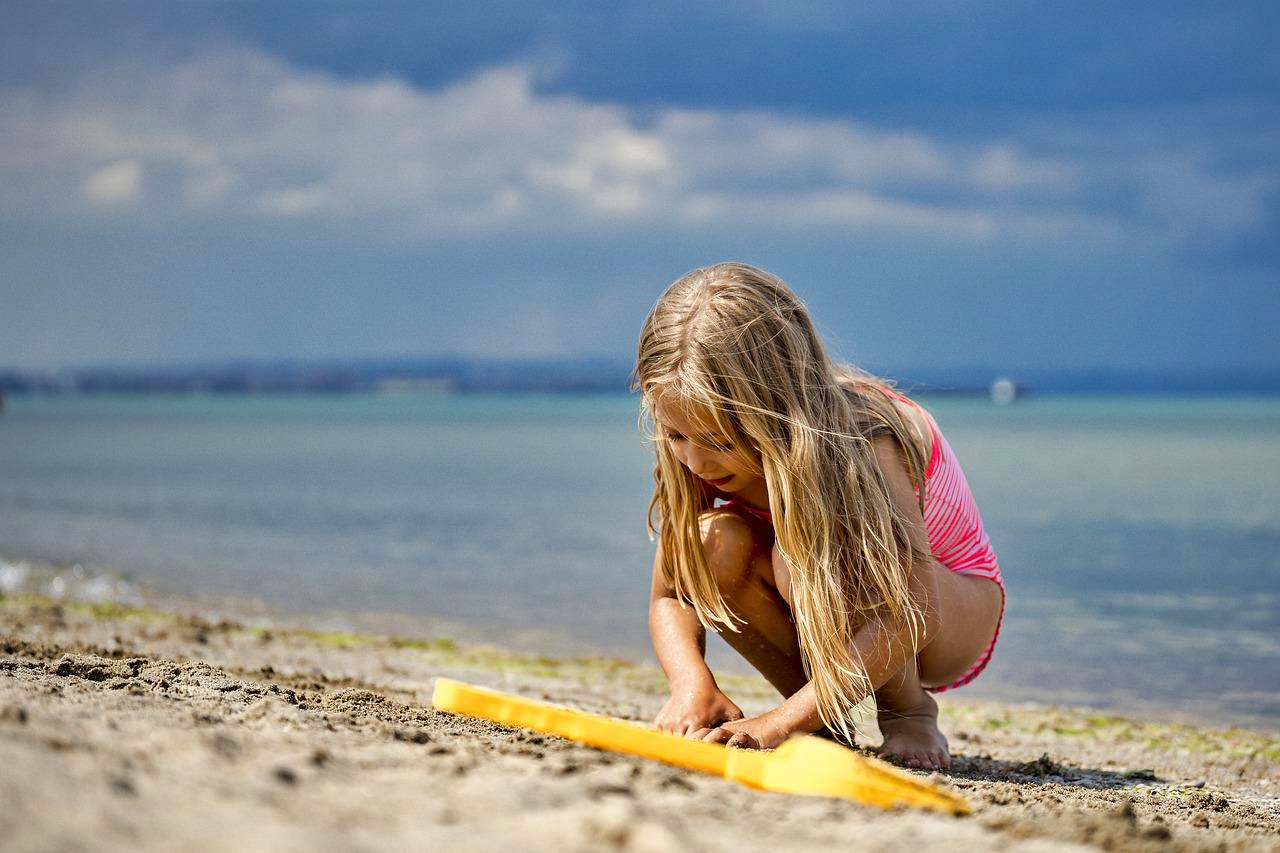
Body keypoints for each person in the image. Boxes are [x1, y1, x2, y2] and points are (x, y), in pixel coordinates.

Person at [634, 262, 1005, 770]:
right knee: (708, 544)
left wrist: (778, 724)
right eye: (676, 436)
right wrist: (691, 684)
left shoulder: (864, 438)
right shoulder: (697, 429)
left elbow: (912, 609)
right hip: (831, 602)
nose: (696, 461)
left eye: (720, 442)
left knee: (805, 548)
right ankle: (823, 720)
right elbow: (671, 593)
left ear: (775, 410)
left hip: (947, 614)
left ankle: (908, 710)